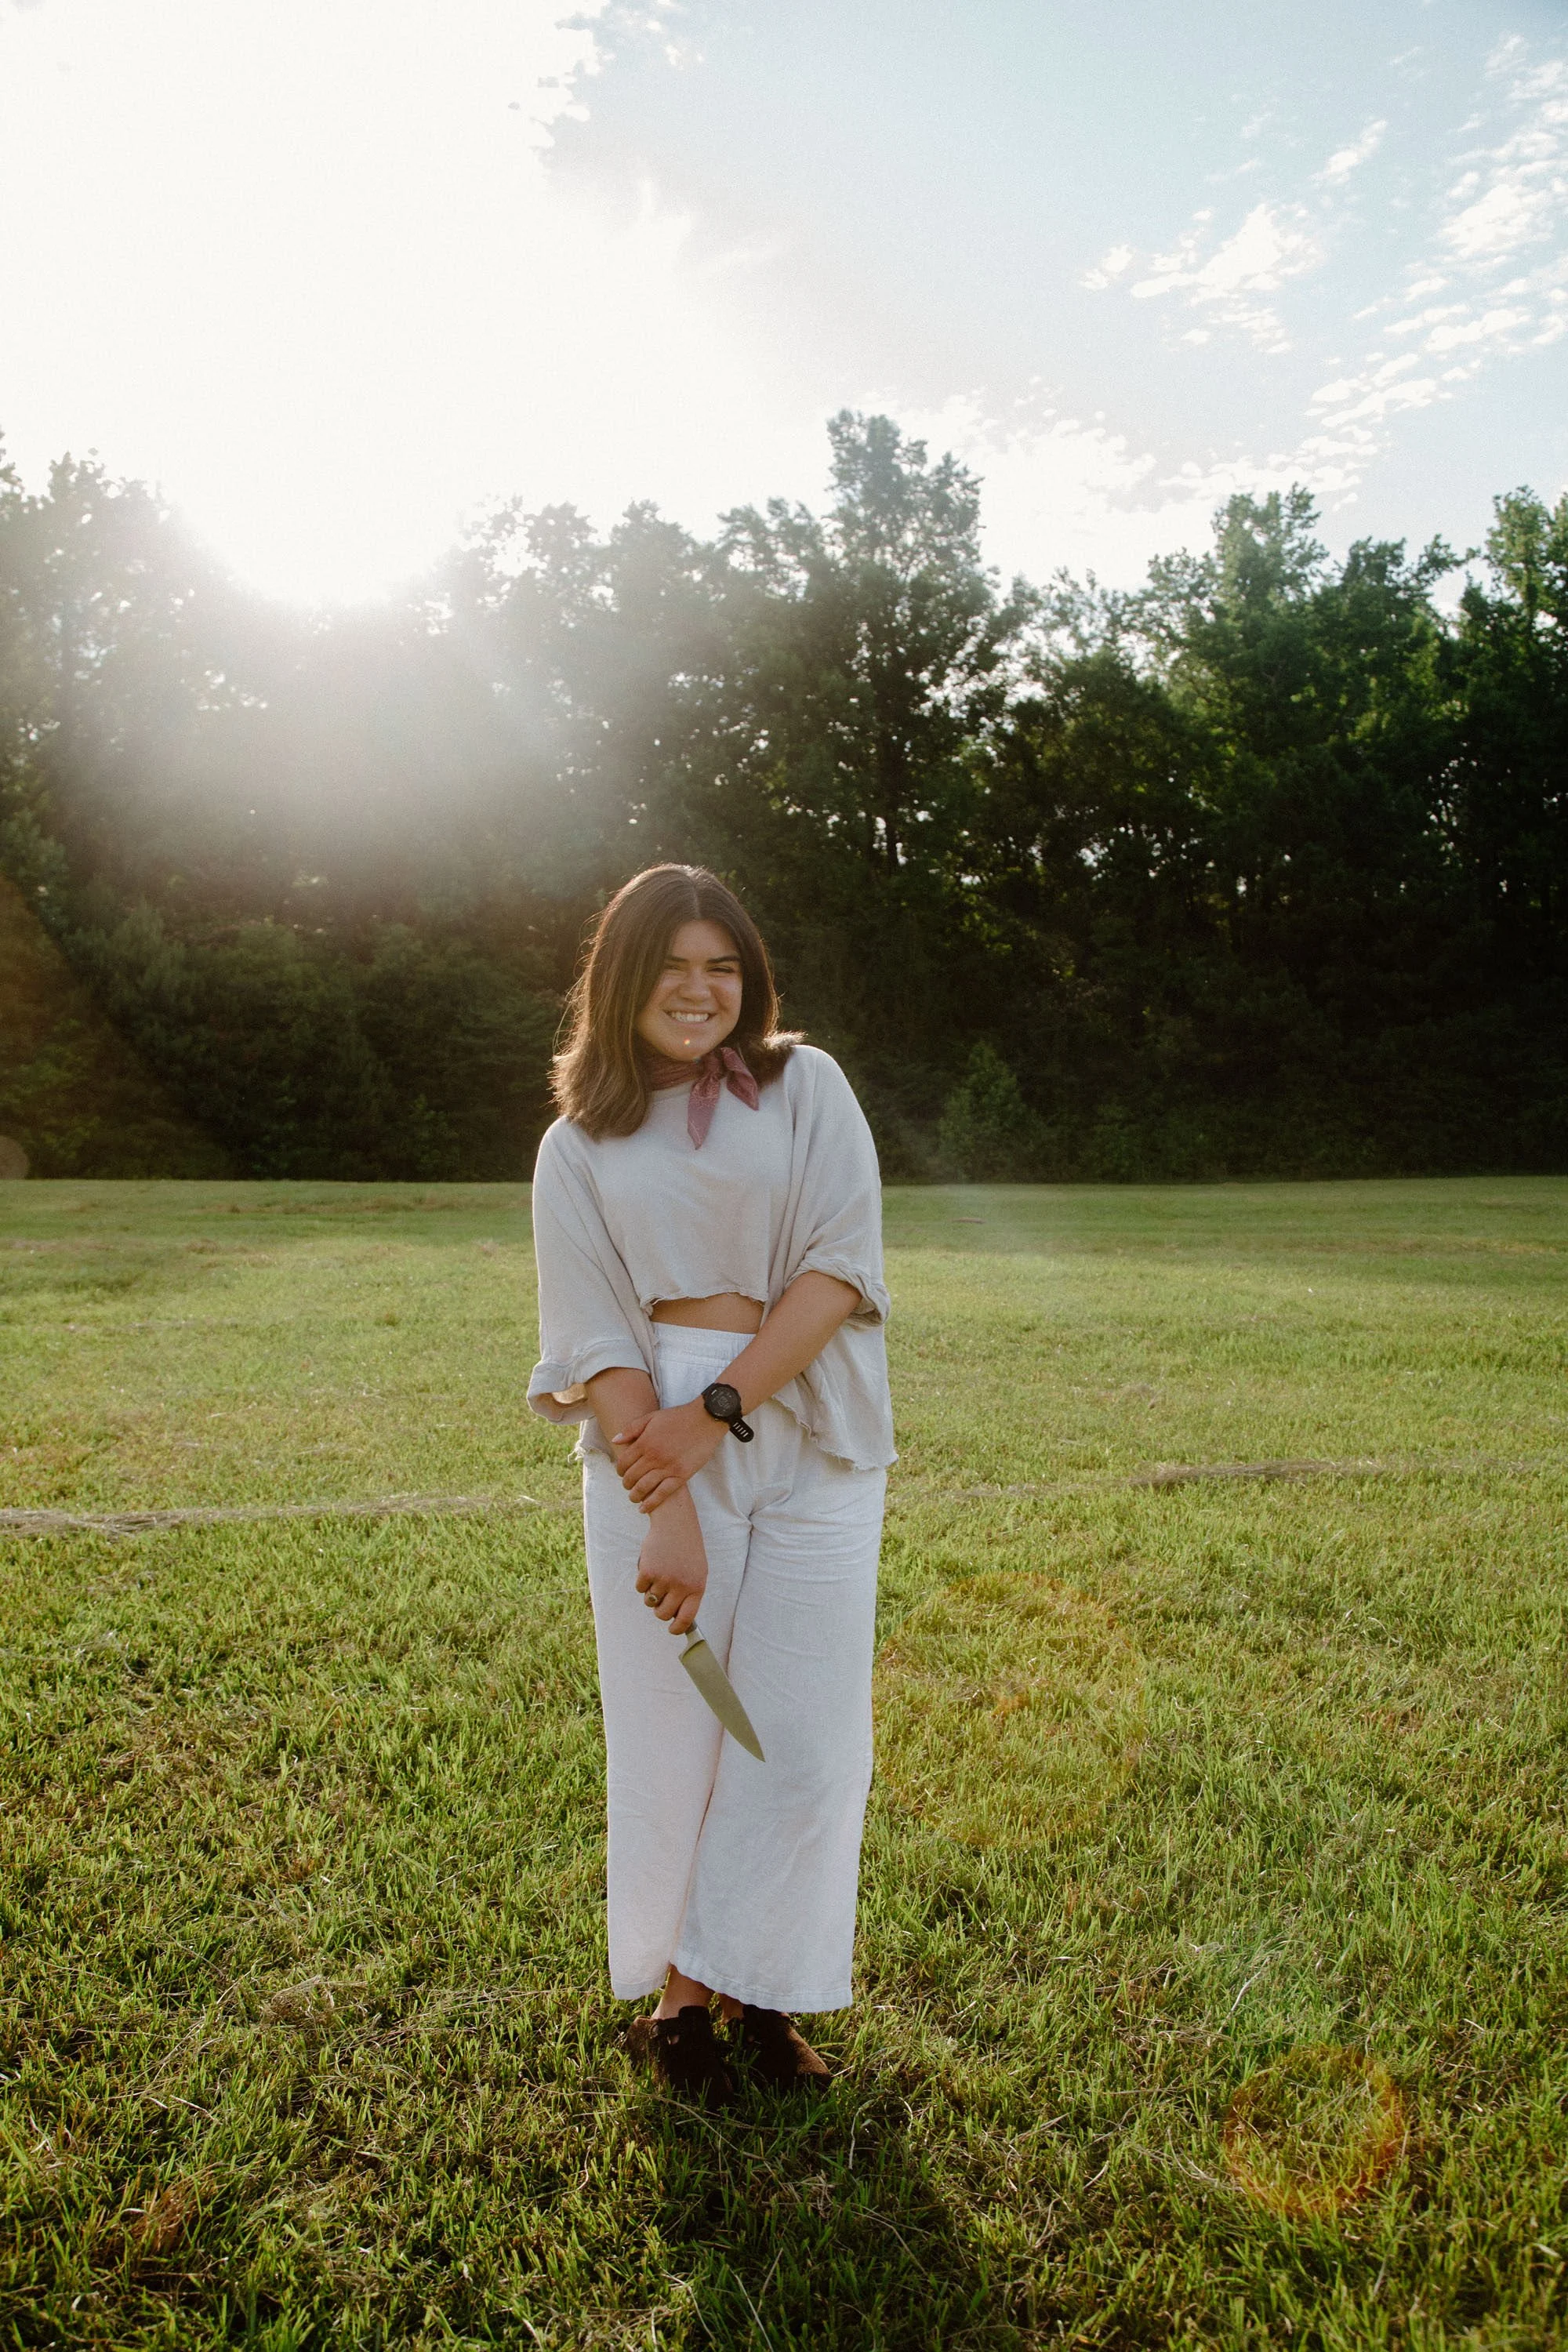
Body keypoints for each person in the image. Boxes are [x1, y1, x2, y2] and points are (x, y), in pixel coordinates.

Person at [527, 864, 895, 2106]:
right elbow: (595, 1340)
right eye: (674, 968)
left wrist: (719, 1412)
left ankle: (764, 1987)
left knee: (803, 1739)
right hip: (651, 1435)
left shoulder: (808, 1085)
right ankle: (684, 2011)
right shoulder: (576, 1143)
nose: (700, 990)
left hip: (805, 1404)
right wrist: (669, 1493)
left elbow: (839, 1268)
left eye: (722, 968)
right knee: (680, 1731)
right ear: (621, 980)